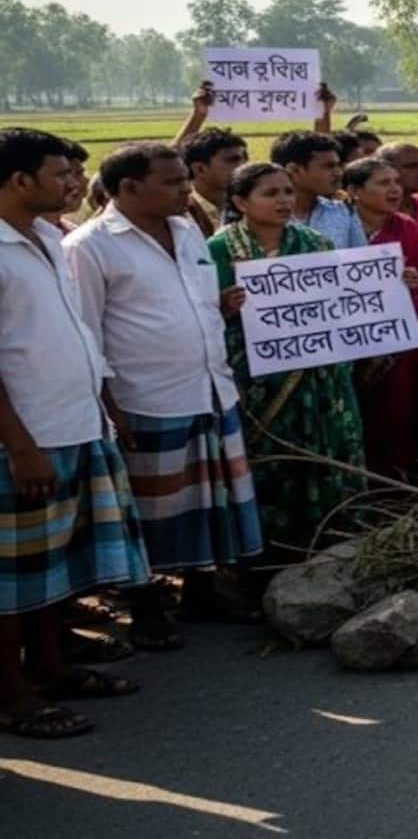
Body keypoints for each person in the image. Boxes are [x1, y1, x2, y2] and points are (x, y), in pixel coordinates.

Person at [64, 142, 258, 652]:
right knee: (145, 509)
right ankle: (144, 605)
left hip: (209, 385)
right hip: (143, 396)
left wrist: (221, 307)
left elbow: (192, 301)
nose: (185, 189)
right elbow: (84, 331)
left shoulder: (188, 228)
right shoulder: (90, 245)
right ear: (129, 187)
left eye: (183, 180)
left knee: (206, 498)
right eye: (171, 182)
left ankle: (199, 591)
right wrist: (109, 404)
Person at [0, 128, 152, 741]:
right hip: (25, 439)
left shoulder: (44, 238)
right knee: (10, 581)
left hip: (74, 424)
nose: (74, 183)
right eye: (62, 173)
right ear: (19, 181)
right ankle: (11, 697)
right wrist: (20, 445)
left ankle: (52, 668)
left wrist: (101, 408)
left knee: (48, 573)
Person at [207, 162, 366, 554]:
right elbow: (199, 314)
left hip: (319, 375)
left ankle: (329, 536)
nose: (283, 201)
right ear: (241, 201)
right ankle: (265, 548)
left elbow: (341, 301)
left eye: (287, 192)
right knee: (266, 461)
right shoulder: (218, 250)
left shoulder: (315, 245)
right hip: (254, 380)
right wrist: (223, 308)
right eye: (270, 193)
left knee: (323, 450)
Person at [343, 157, 418, 486]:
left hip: (410, 337)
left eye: (396, 180)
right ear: (353, 190)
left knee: (410, 411)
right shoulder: (337, 228)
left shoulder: (406, 226)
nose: (394, 188)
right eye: (383, 183)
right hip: (357, 340)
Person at [268, 132, 366, 250]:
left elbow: (361, 259)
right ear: (294, 170)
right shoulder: (263, 216)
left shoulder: (343, 212)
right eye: (328, 166)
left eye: (338, 165)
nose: (338, 173)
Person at [179, 128, 247, 237]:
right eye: (233, 160)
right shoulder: (179, 212)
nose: (243, 167)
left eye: (245, 160)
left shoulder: (247, 207)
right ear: (200, 169)